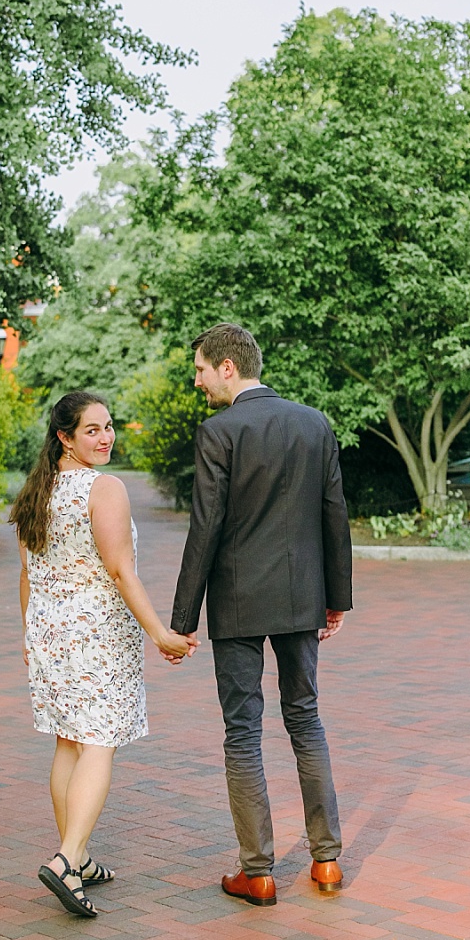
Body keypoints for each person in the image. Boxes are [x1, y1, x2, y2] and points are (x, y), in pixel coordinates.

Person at [170, 323, 352, 908]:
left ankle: (259, 872)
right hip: (302, 598)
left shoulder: (219, 431)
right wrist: (337, 597)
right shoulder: (313, 422)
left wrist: (183, 617)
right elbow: (334, 514)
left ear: (228, 367)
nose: (196, 380)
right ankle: (326, 862)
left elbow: (207, 527)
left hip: (239, 599)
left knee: (243, 731)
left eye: (200, 368)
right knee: (306, 718)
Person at [12, 391, 197, 918]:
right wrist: (160, 633)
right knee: (98, 742)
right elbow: (120, 571)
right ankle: (68, 860)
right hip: (96, 637)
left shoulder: (36, 492)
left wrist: (30, 639)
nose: (106, 437)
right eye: (92, 430)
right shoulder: (104, 489)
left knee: (69, 743)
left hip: (50, 634)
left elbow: (28, 575)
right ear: (64, 438)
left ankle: (81, 853)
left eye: (109, 427)